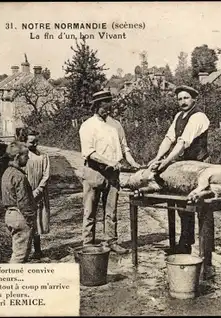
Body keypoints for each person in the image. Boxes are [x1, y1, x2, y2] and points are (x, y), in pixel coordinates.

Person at [148, 85, 210, 255]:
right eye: (180, 99)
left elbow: (183, 142)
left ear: (194, 99)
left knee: (197, 206)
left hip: (199, 165)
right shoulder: (178, 116)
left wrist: (167, 161)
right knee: (181, 204)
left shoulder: (198, 117)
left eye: (186, 98)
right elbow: (169, 138)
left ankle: (203, 248)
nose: (182, 102)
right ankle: (185, 242)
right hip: (184, 165)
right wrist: (157, 157)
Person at [79, 90, 140, 254]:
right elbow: (89, 152)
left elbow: (124, 147)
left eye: (109, 108)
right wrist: (110, 162)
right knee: (90, 210)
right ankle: (88, 243)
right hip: (93, 172)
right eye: (104, 108)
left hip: (113, 175)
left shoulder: (116, 125)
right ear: (96, 106)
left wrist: (133, 163)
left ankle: (110, 241)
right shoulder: (88, 126)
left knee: (111, 210)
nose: (107, 111)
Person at [1, 141, 36, 263]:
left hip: (9, 215)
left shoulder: (7, 173)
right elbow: (23, 201)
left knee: (17, 251)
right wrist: (31, 218)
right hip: (20, 216)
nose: (28, 158)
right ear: (17, 157)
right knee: (20, 256)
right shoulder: (19, 176)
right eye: (25, 156)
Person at [19, 130, 51, 260]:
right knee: (26, 223)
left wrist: (38, 190)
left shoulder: (43, 156)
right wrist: (27, 193)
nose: (35, 144)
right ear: (25, 142)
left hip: (39, 194)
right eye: (32, 142)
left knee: (37, 222)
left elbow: (46, 175)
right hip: (26, 194)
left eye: (36, 141)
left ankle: (38, 251)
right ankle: (23, 252)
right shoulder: (22, 157)